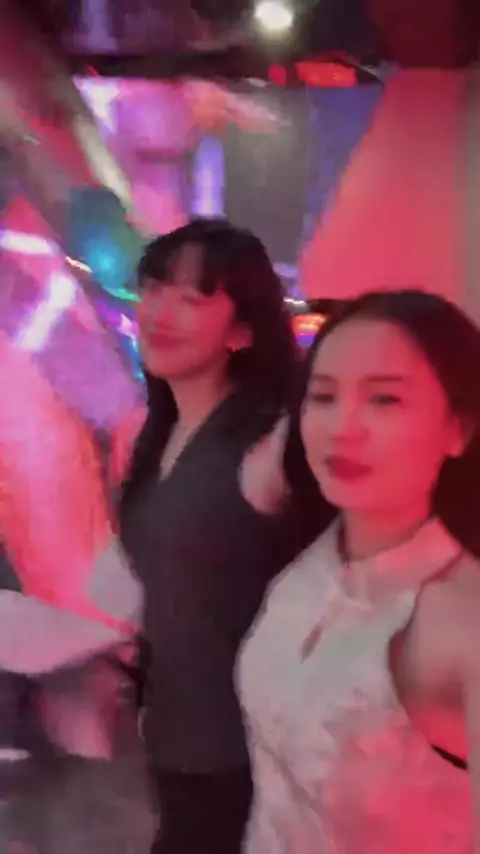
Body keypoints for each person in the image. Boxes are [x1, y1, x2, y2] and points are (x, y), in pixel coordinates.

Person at [116, 218, 333, 854]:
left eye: (192, 298)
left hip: (250, 766)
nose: (160, 312)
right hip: (174, 745)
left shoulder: (273, 442)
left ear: (242, 331)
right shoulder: (160, 435)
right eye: (154, 288)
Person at [237, 290, 480, 853]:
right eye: (323, 397)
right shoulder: (313, 558)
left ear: (458, 429)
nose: (343, 428)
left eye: (384, 400)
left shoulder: (457, 617)